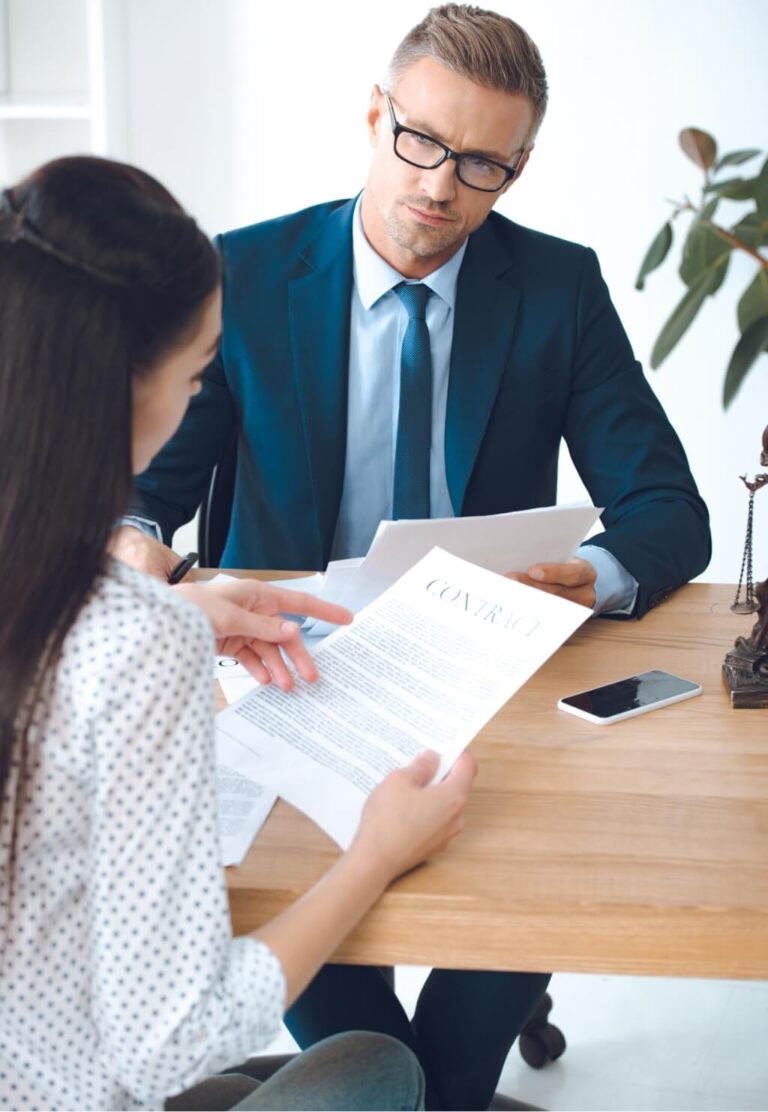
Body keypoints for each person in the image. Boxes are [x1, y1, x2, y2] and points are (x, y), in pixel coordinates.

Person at [115, 4, 712, 1107]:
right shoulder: (243, 274)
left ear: (516, 170)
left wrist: (596, 570)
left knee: (512, 903)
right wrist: (139, 547)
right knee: (332, 958)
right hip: (289, 673)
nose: (440, 185)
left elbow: (669, 507)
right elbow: (152, 493)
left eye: (480, 161)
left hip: (482, 684)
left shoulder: (557, 288)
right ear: (377, 116)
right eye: (422, 141)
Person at [0, 155, 477, 1112]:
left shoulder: (84, 614)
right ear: (126, 394)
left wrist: (171, 610)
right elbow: (174, 1042)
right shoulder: (129, 643)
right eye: (197, 373)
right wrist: (373, 855)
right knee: (385, 1070)